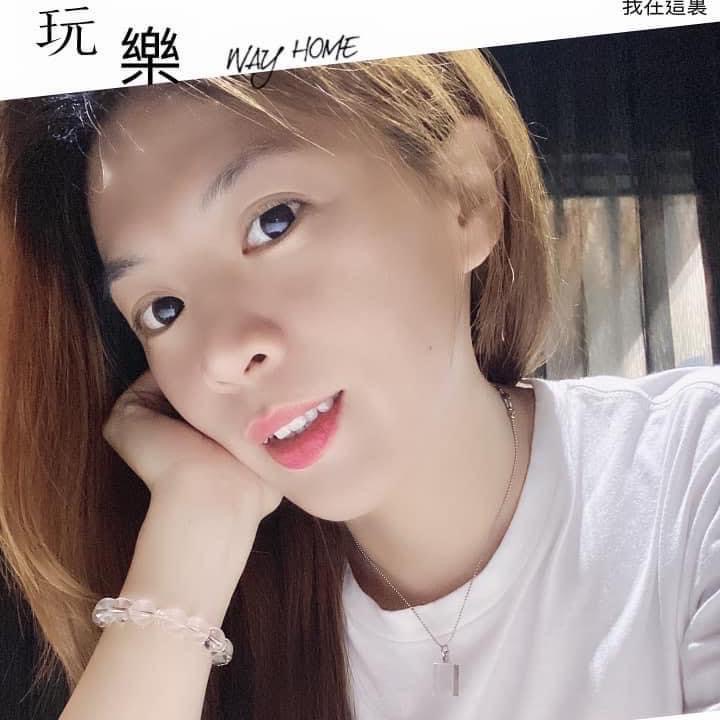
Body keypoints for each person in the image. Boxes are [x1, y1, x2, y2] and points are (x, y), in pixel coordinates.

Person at [0, 49, 717, 720]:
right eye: (163, 309)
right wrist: (196, 529)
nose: (222, 354)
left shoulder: (691, 472)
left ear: (466, 196)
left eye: (273, 222)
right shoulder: (220, 618)